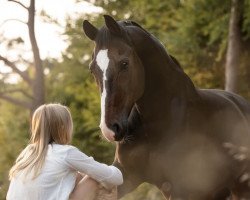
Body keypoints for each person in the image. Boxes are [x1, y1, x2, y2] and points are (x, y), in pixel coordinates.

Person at [6, 103, 123, 200]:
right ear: (63, 127)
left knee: (76, 175)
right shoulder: (65, 153)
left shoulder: (28, 153)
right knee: (95, 178)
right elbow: (116, 178)